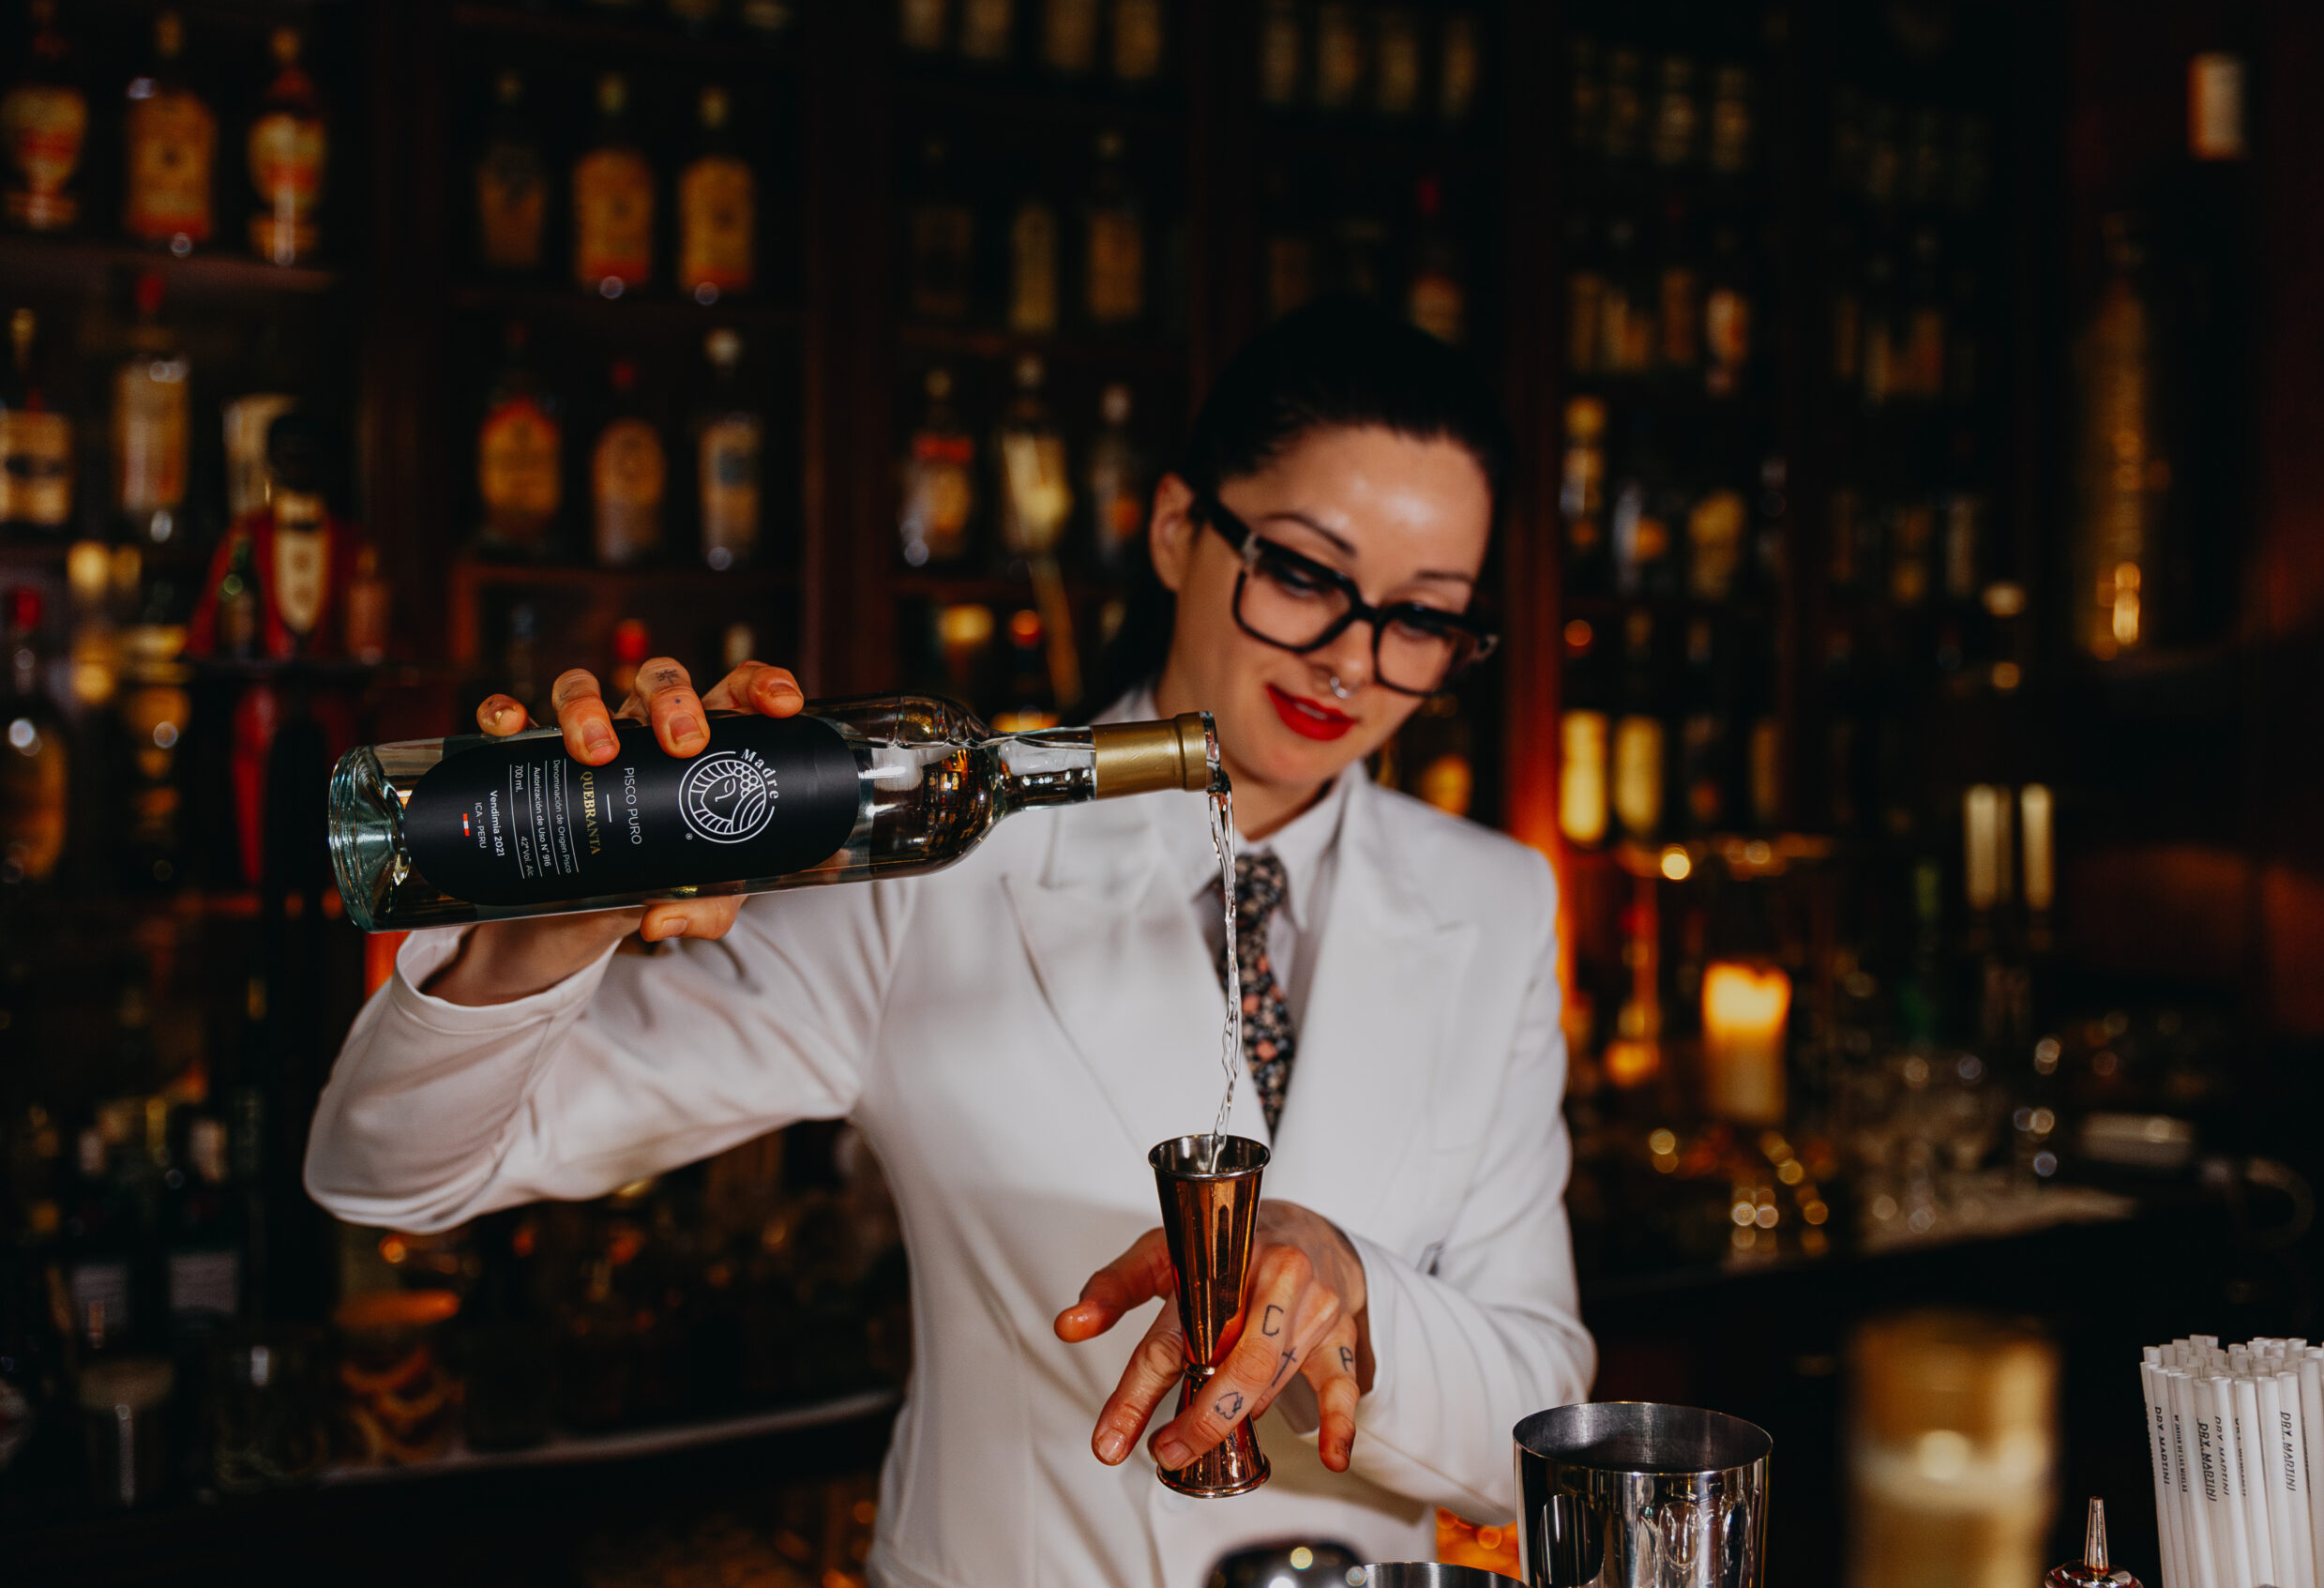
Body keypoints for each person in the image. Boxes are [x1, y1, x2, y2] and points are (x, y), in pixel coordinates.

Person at [305, 299, 1594, 1587]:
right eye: (1306, 575)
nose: (1352, 661)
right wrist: (561, 918)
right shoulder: (934, 871)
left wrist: (1351, 1285)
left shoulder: (1490, 903)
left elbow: (1542, 1432)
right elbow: (392, 1176)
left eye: (1422, 618)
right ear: (1176, 530)